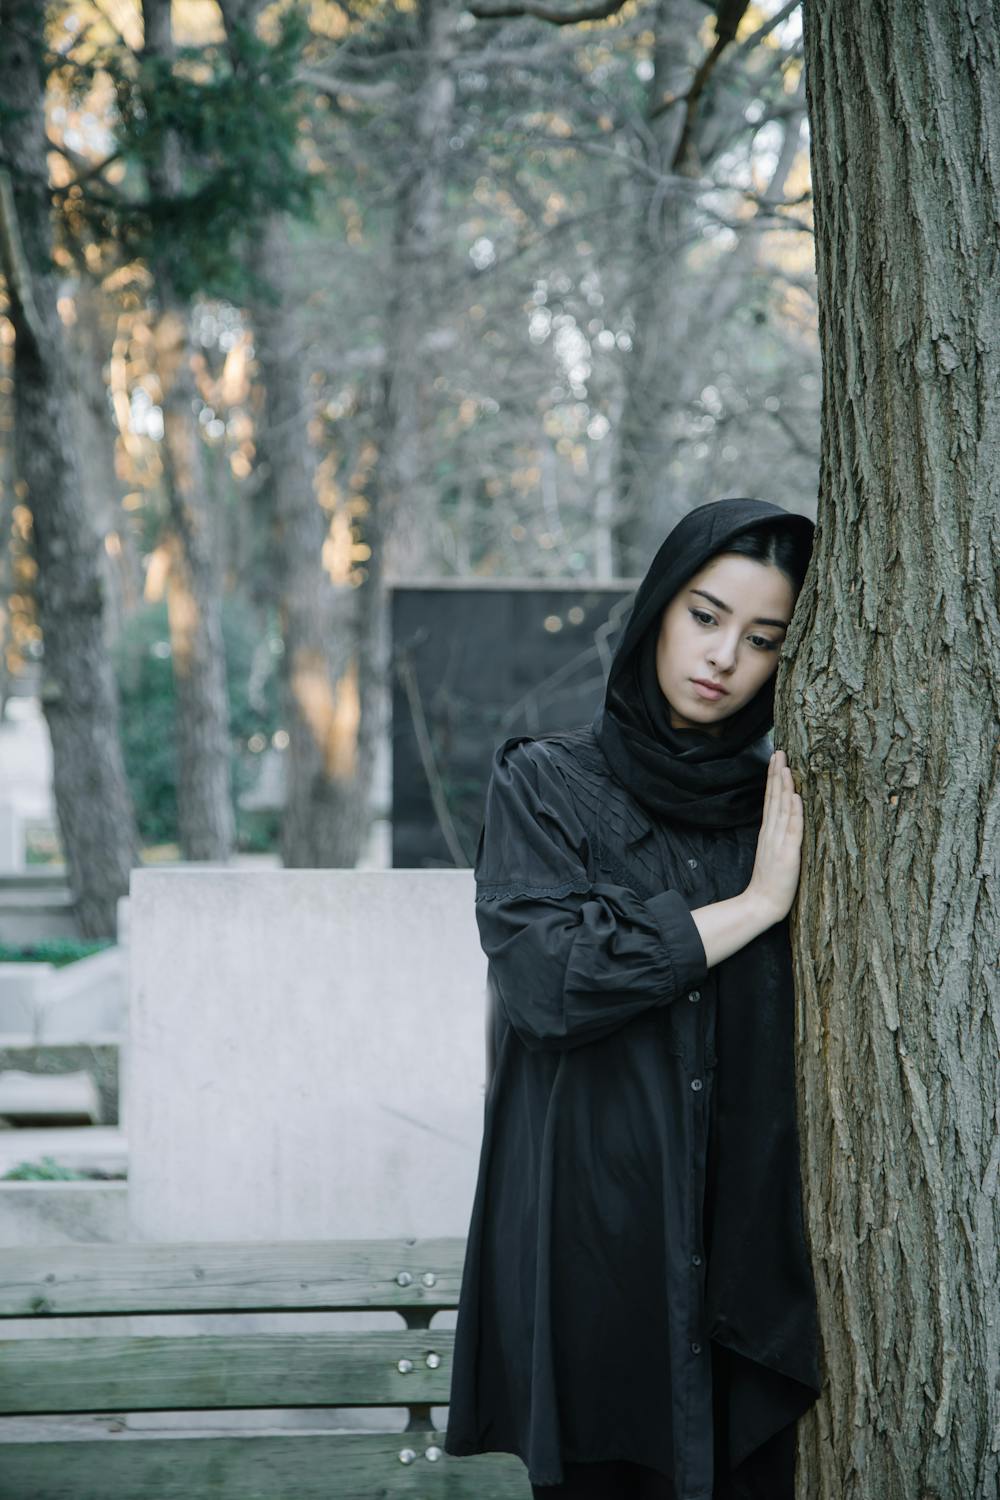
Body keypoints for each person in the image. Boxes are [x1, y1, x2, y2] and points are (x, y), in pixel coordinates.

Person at [443, 497, 822, 1500]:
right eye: (704, 616)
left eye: (761, 638)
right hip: (596, 1253)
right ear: (658, 608)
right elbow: (548, 983)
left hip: (750, 1267)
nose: (724, 657)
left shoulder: (780, 803)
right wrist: (754, 907)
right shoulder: (547, 784)